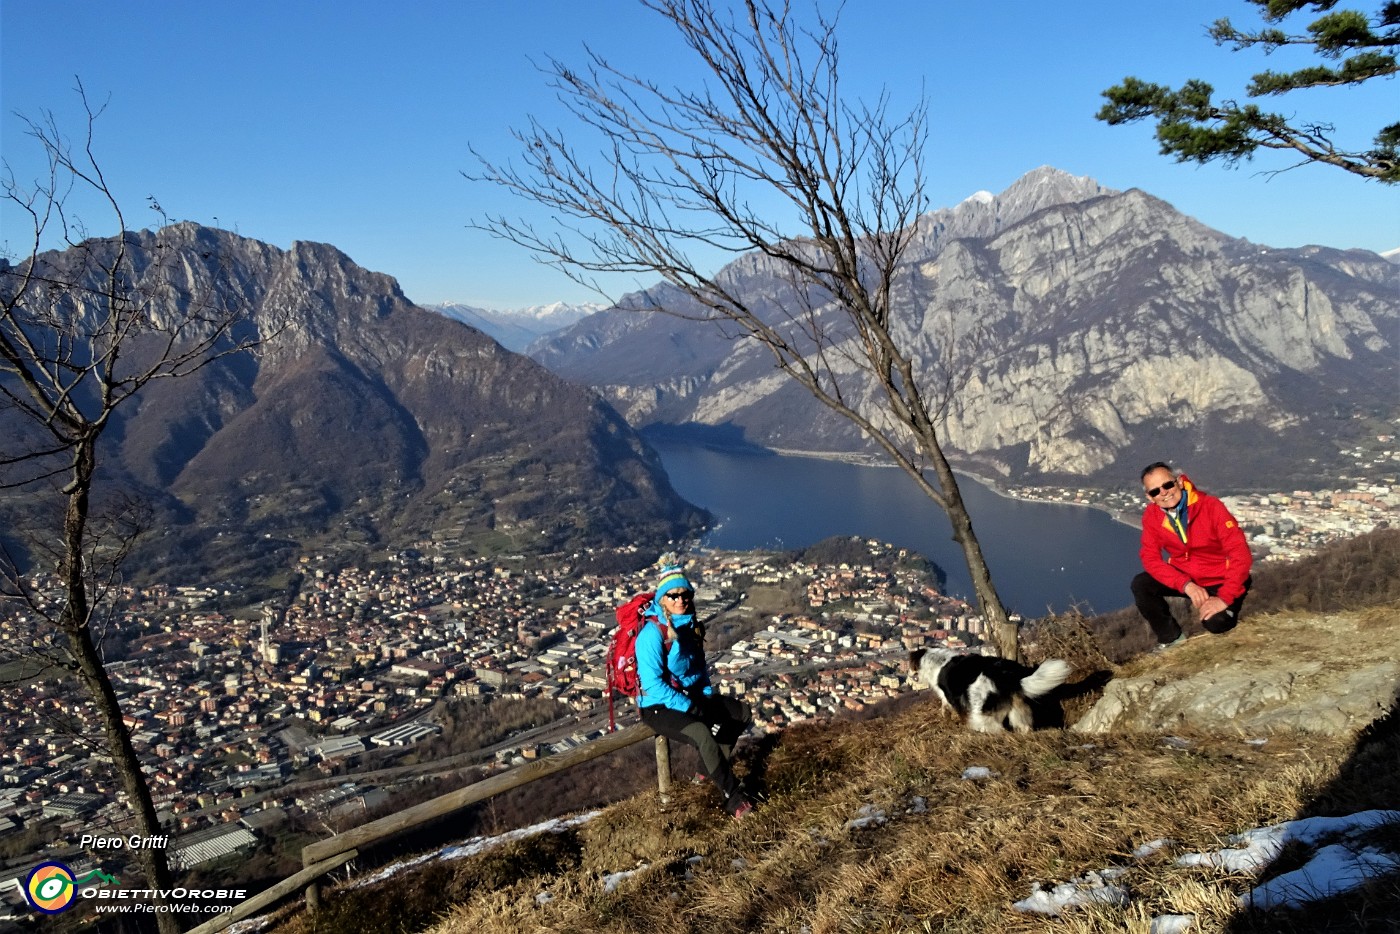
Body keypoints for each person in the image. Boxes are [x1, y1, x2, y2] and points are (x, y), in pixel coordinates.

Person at [635, 559, 754, 821]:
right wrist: (689, 706)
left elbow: (696, 668)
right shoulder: (652, 634)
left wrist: (705, 696)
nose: (680, 599)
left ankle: (705, 773)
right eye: (673, 595)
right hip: (657, 706)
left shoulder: (690, 625)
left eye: (685, 594)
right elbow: (653, 683)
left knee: (740, 713)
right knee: (702, 734)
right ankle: (732, 797)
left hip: (691, 697)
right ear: (662, 598)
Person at [1133, 462, 1253, 649]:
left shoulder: (1210, 507)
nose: (1164, 493)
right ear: (1149, 497)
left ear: (1179, 482)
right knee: (1142, 584)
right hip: (1189, 578)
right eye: (1155, 491)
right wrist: (1184, 584)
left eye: (1167, 485)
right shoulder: (1152, 516)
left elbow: (1240, 554)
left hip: (1220, 577)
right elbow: (1150, 557)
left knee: (1216, 623)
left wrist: (1224, 598)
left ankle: (1230, 613)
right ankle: (1172, 640)